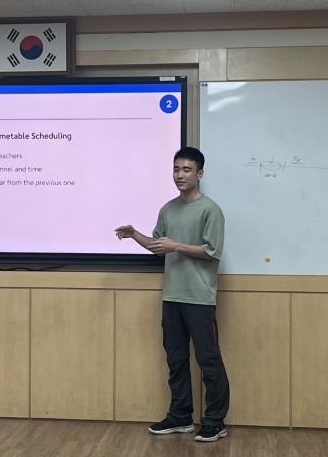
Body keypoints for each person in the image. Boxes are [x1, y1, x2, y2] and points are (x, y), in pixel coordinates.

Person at [115, 146, 230, 443]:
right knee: (176, 359)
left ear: (199, 174)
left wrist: (176, 245)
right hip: (172, 297)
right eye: (176, 169)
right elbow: (158, 246)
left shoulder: (210, 210)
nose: (180, 175)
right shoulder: (168, 209)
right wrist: (134, 234)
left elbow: (212, 252)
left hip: (199, 298)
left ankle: (215, 421)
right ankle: (180, 417)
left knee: (208, 361)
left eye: (187, 170)